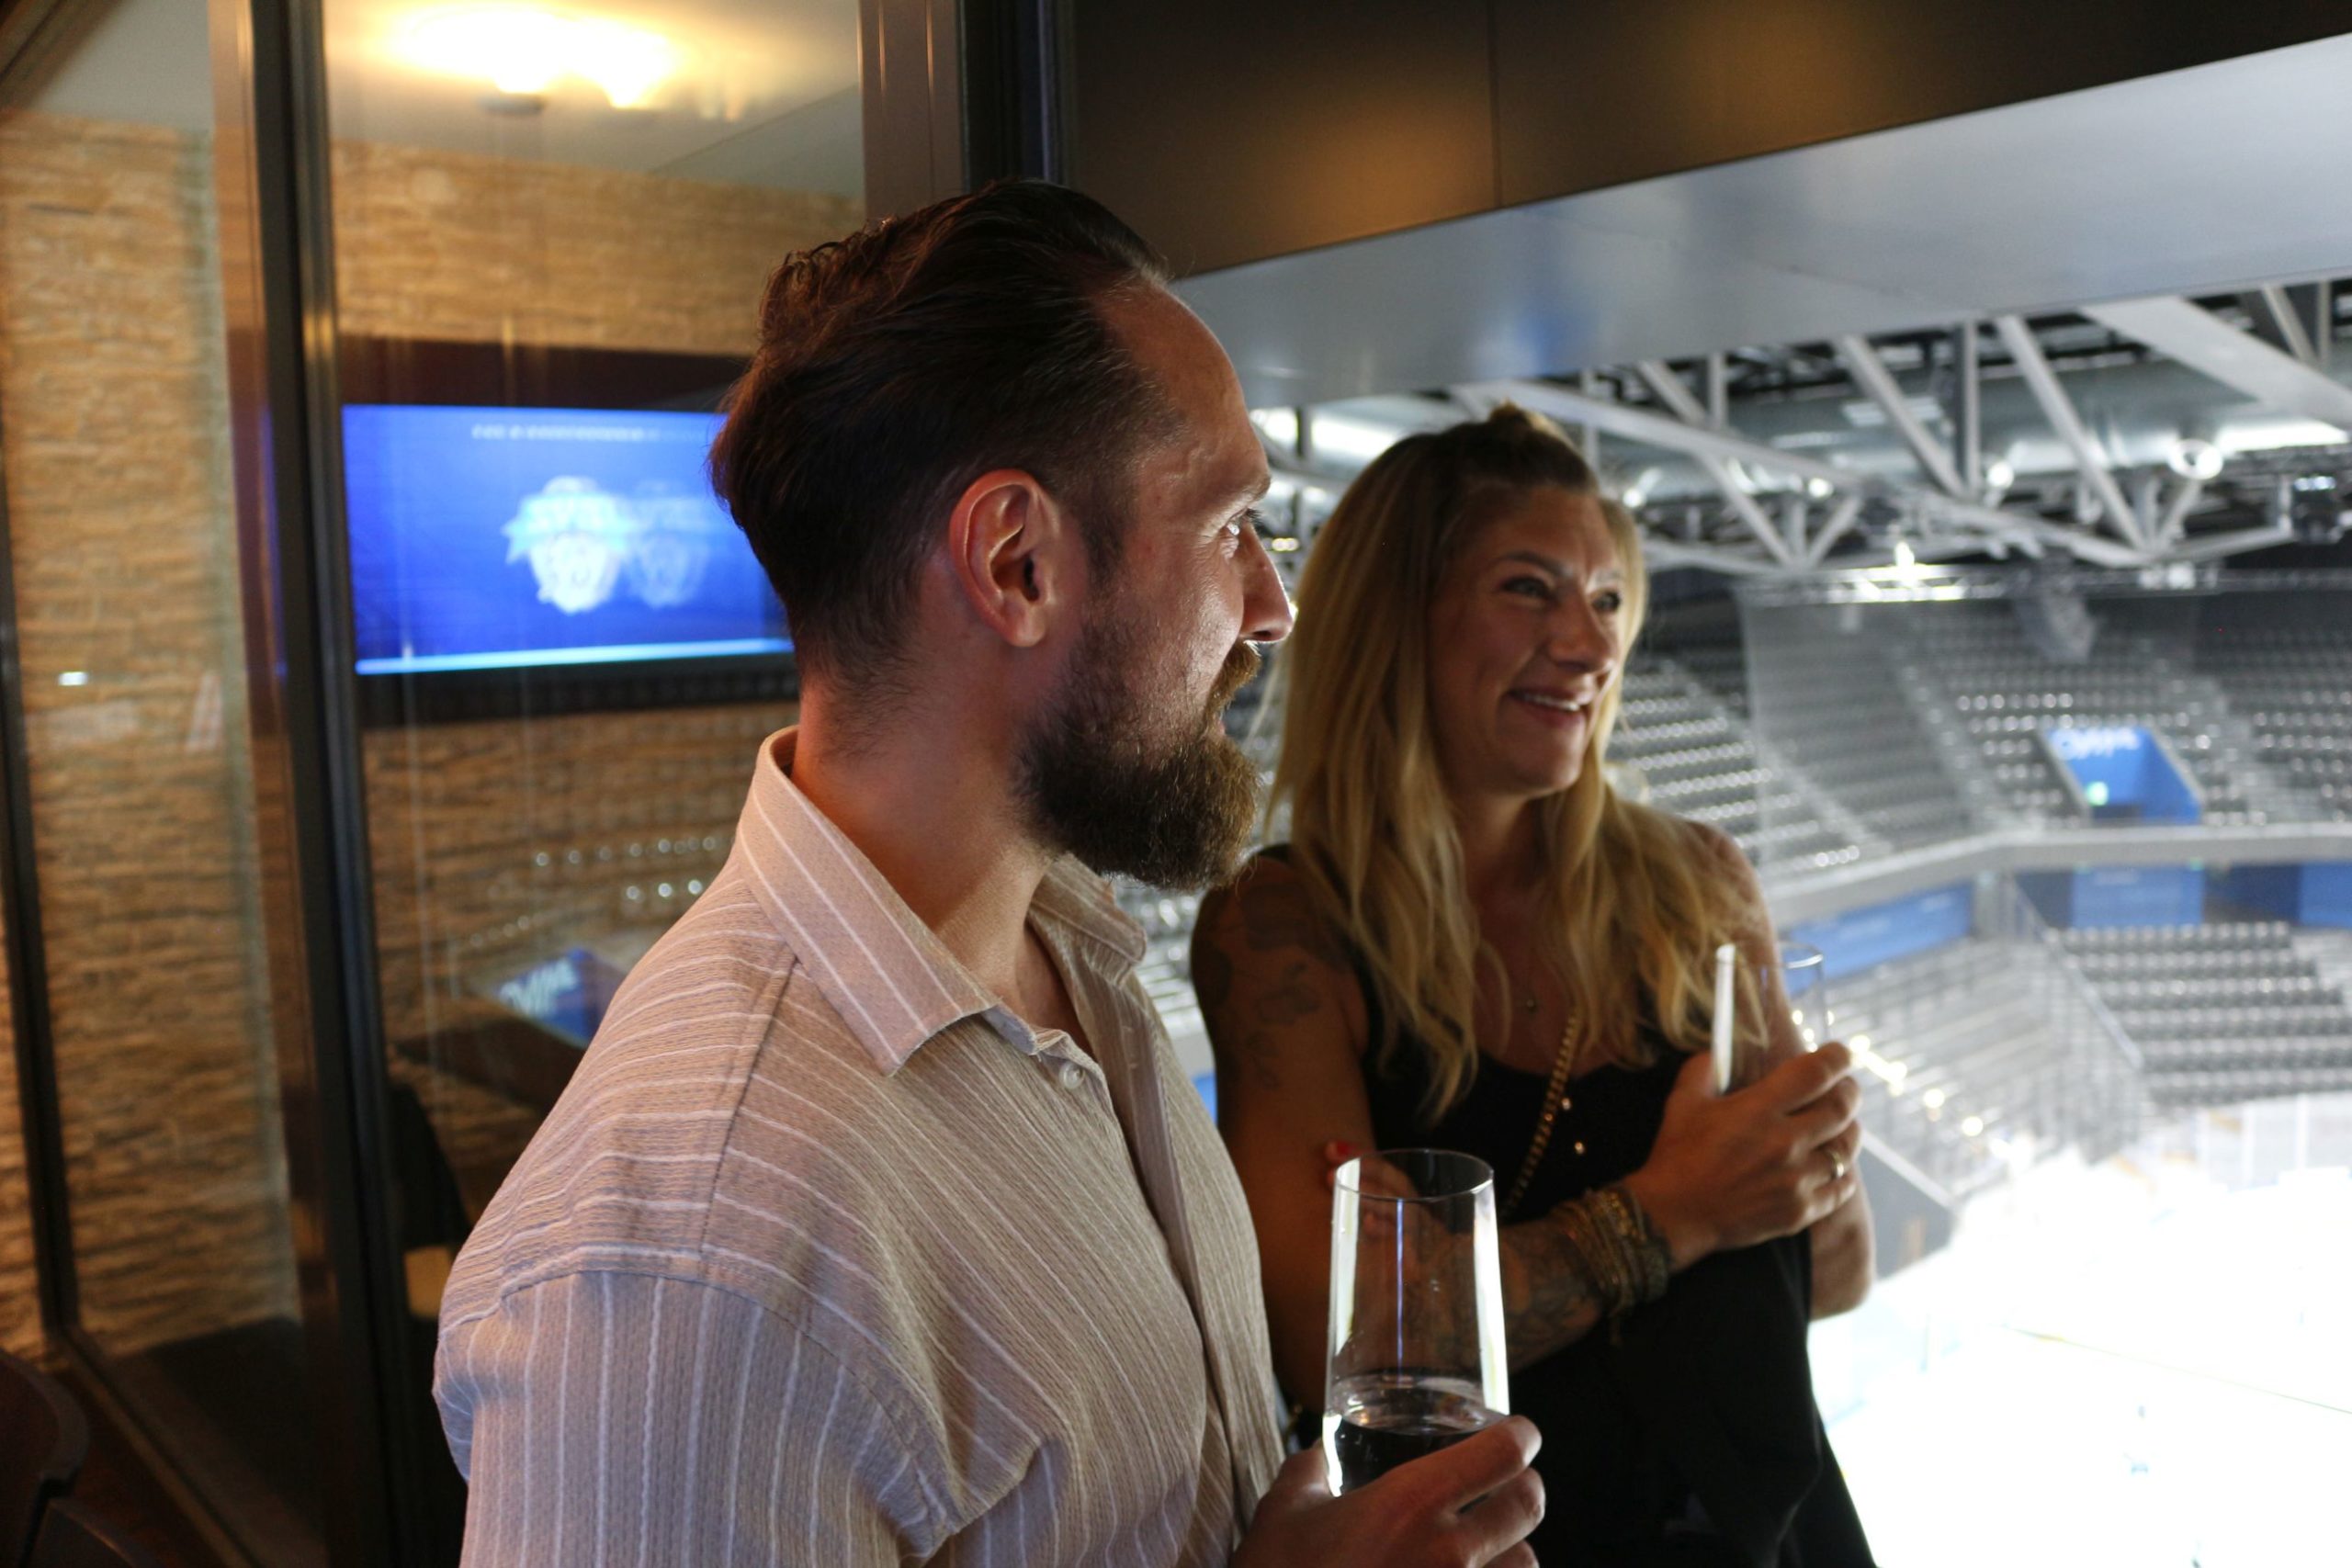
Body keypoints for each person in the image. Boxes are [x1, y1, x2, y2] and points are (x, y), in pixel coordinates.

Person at [434, 182, 1544, 1567]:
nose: (1272, 606)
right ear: (1016, 563)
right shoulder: (696, 1264)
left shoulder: (1069, 945)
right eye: (1227, 528)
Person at [1194, 407, 1877, 1566]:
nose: (1588, 644)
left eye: (1607, 601)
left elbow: (1836, 1268)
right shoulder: (1283, 928)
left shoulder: (1700, 885)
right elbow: (1334, 1349)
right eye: (1528, 589)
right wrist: (1688, 1207)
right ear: (1396, 617)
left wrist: (1450, 1287)